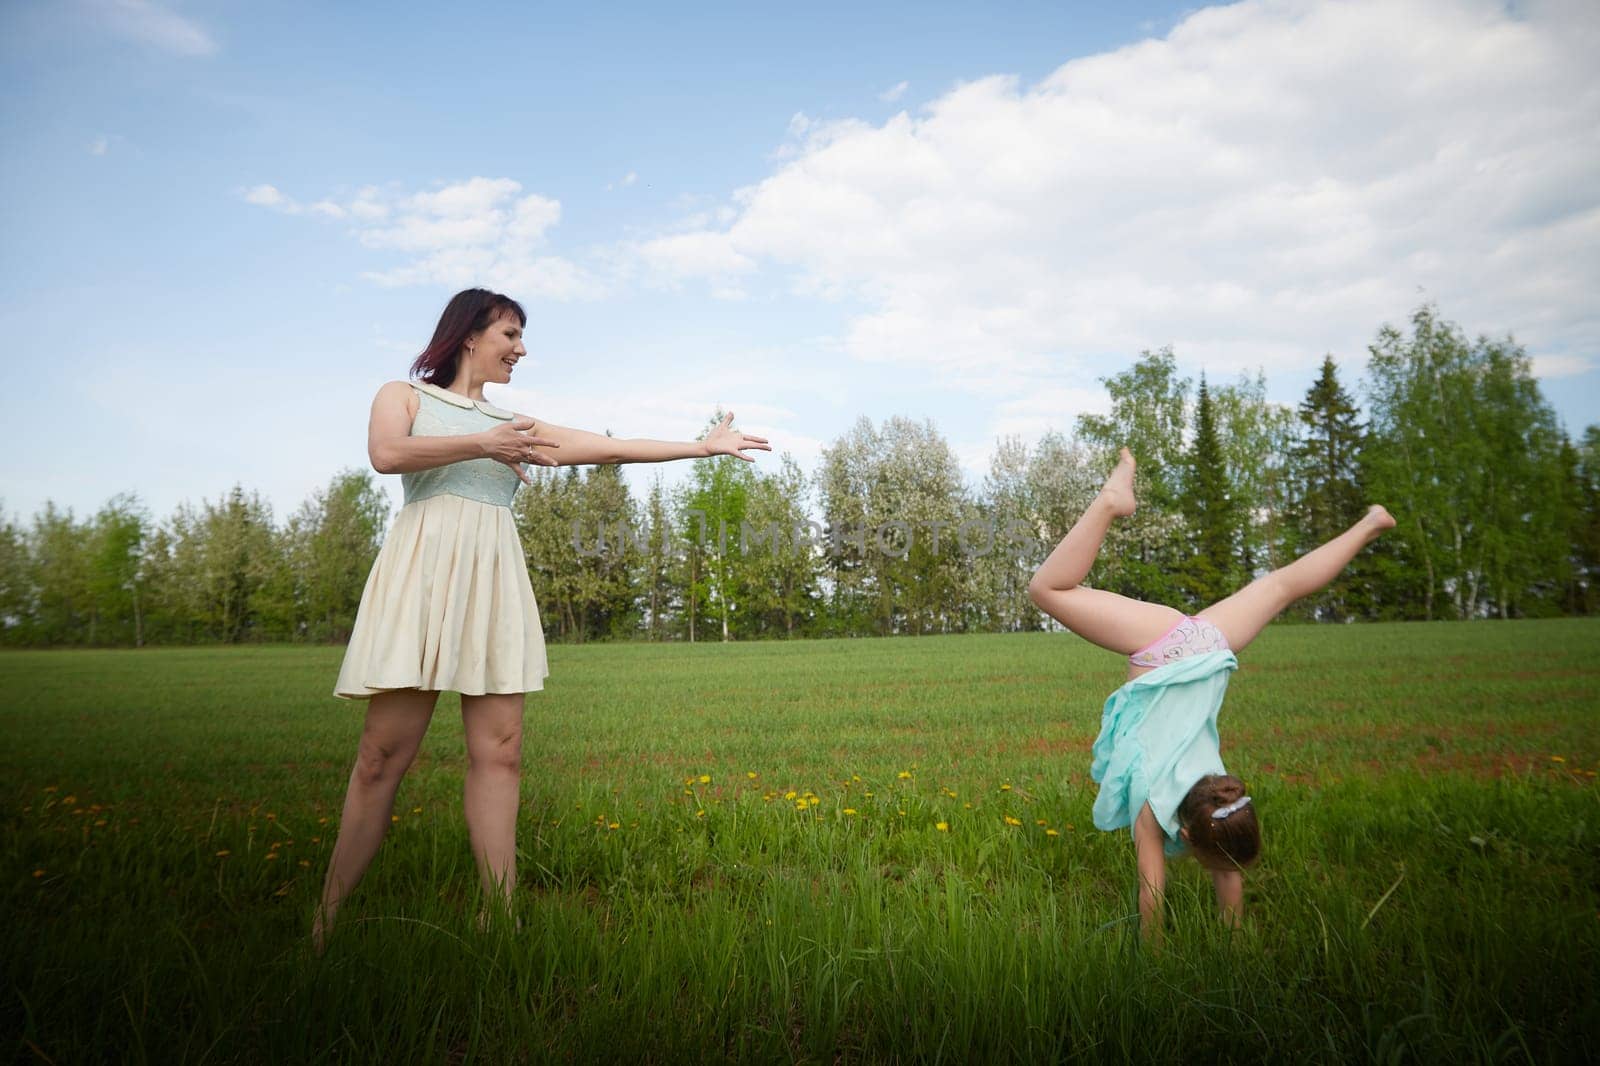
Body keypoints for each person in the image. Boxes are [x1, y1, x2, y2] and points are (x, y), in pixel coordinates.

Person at [313, 288, 769, 948]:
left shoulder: (516, 427)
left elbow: (605, 448)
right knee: (382, 758)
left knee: (501, 752)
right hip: (423, 575)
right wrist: (484, 443)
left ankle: (499, 917)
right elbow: (386, 455)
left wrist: (700, 449)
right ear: (470, 334)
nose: (521, 349)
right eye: (511, 334)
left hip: (492, 576)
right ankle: (326, 919)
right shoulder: (405, 395)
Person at [1028, 448, 1393, 937]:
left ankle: (1370, 524)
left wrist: (1234, 937)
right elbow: (1152, 896)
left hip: (1211, 646)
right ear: (1186, 835)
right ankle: (1111, 500)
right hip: (1164, 650)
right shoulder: (1154, 811)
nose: (1225, 872)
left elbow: (1227, 863)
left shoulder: (1224, 793)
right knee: (1047, 590)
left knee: (1282, 585)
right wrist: (1153, 952)